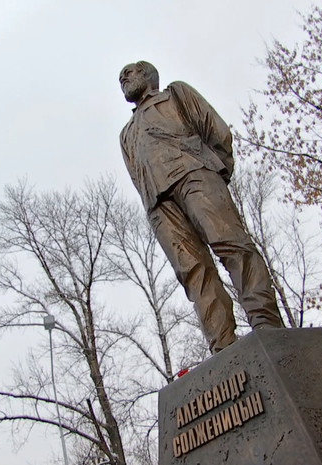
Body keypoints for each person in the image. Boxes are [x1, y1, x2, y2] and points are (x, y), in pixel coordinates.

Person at [118, 60, 283, 353]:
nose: (123, 79)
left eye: (129, 73)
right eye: (121, 78)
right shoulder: (126, 134)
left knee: (231, 244)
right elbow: (135, 174)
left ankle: (267, 324)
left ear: (148, 75)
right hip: (159, 203)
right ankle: (223, 346)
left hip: (195, 173)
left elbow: (215, 129)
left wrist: (214, 172)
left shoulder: (176, 94)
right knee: (193, 272)